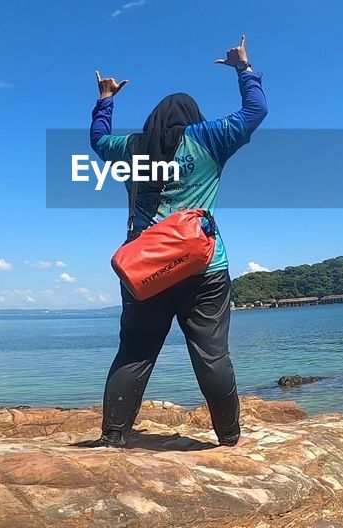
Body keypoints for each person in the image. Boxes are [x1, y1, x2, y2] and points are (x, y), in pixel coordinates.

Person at [89, 36, 267, 448]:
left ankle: (114, 436)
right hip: (204, 267)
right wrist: (244, 69)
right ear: (193, 116)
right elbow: (256, 111)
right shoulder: (209, 138)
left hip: (146, 271)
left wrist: (106, 100)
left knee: (134, 353)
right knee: (212, 354)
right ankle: (229, 438)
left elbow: (98, 140)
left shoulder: (131, 148)